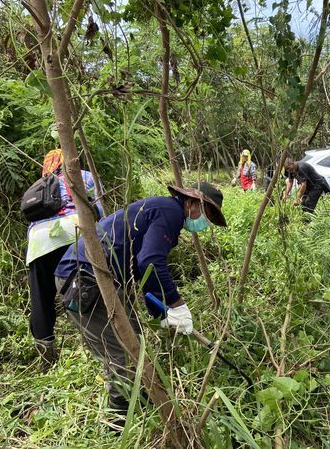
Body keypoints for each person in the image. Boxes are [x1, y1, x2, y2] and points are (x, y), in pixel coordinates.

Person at [53, 182, 226, 414]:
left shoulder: (164, 210)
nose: (204, 223)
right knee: (122, 352)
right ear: (192, 202)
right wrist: (178, 304)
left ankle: (140, 400)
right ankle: (120, 419)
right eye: (206, 215)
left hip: (100, 276)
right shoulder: (170, 212)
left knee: (135, 341)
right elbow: (151, 262)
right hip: (84, 276)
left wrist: (161, 313)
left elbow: (144, 272)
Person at [26, 149, 103, 372]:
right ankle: (92, 346)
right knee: (83, 288)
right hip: (74, 235)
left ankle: (46, 358)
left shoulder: (39, 185)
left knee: (41, 300)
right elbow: (100, 210)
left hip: (38, 244)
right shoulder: (85, 176)